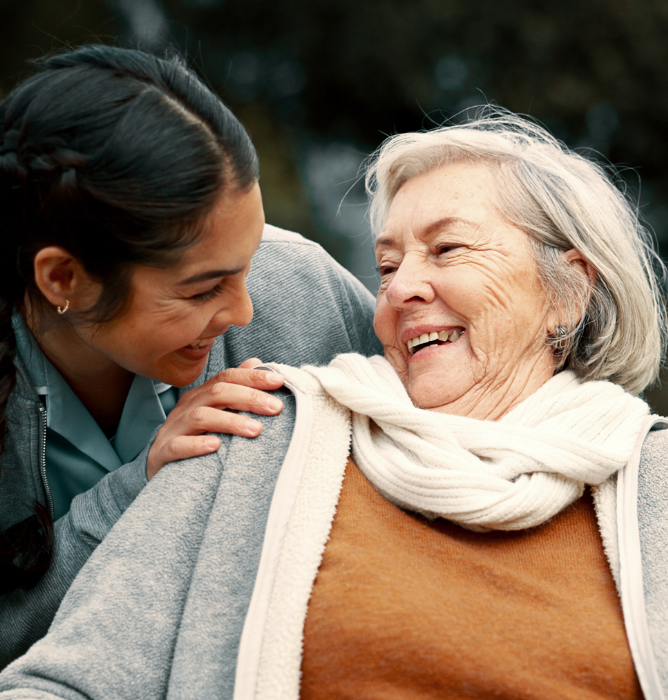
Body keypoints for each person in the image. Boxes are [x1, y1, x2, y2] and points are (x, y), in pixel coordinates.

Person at [1, 112, 668, 700]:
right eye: (387, 266)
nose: (397, 291)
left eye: (447, 248)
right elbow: (66, 684)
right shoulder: (258, 433)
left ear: (569, 293)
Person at [0, 45, 382, 668]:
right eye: (203, 289)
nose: (244, 313)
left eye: (252, 260)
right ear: (62, 278)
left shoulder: (304, 290)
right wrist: (137, 489)